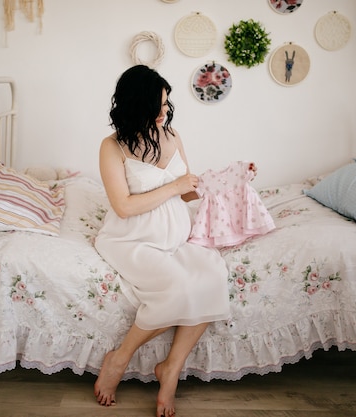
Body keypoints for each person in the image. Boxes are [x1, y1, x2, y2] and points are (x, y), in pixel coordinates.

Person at [93, 65, 230, 417]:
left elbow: (186, 193)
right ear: (136, 105)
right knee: (178, 289)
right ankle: (119, 359)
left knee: (213, 276)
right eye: (159, 105)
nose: (165, 111)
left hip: (176, 235)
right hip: (132, 238)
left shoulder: (172, 135)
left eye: (168, 104)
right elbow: (123, 207)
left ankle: (171, 370)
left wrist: (226, 181)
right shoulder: (112, 147)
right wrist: (175, 186)